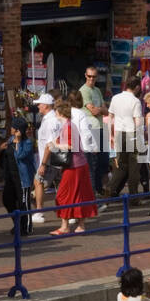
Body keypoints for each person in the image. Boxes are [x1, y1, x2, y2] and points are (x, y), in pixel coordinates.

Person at [49, 99, 97, 234]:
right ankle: (79, 225)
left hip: (73, 166)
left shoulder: (68, 126)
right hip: (78, 164)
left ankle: (65, 226)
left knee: (63, 195)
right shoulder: (69, 125)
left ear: (59, 112)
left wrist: (55, 145)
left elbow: (71, 145)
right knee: (80, 194)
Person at [102, 76, 145, 200]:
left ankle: (109, 189)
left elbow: (110, 117)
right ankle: (134, 198)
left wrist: (110, 135)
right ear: (136, 87)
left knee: (121, 167)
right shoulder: (135, 101)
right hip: (132, 134)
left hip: (119, 134)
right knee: (134, 168)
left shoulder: (115, 98)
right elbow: (137, 121)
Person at [32, 92, 65, 224]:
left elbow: (49, 145)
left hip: (50, 160)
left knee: (38, 182)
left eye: (40, 104)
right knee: (61, 186)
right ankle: (67, 212)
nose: (38, 106)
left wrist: (43, 164)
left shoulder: (50, 121)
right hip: (56, 159)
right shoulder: (54, 119)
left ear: (46, 106)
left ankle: (39, 212)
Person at [3, 116, 36, 236]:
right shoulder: (11, 139)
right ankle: (17, 223)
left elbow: (20, 155)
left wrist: (18, 142)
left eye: (13, 127)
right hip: (11, 177)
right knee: (7, 199)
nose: (10, 129)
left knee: (24, 204)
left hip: (23, 178)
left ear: (18, 130)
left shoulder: (27, 142)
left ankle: (27, 227)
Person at [79, 67, 109, 194]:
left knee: (103, 162)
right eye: (89, 76)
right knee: (94, 162)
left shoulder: (97, 90)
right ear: (85, 75)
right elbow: (94, 111)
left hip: (101, 127)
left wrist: (100, 109)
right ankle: (94, 190)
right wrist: (100, 109)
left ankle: (99, 188)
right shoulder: (84, 91)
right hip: (91, 129)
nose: (91, 79)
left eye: (94, 77)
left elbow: (105, 111)